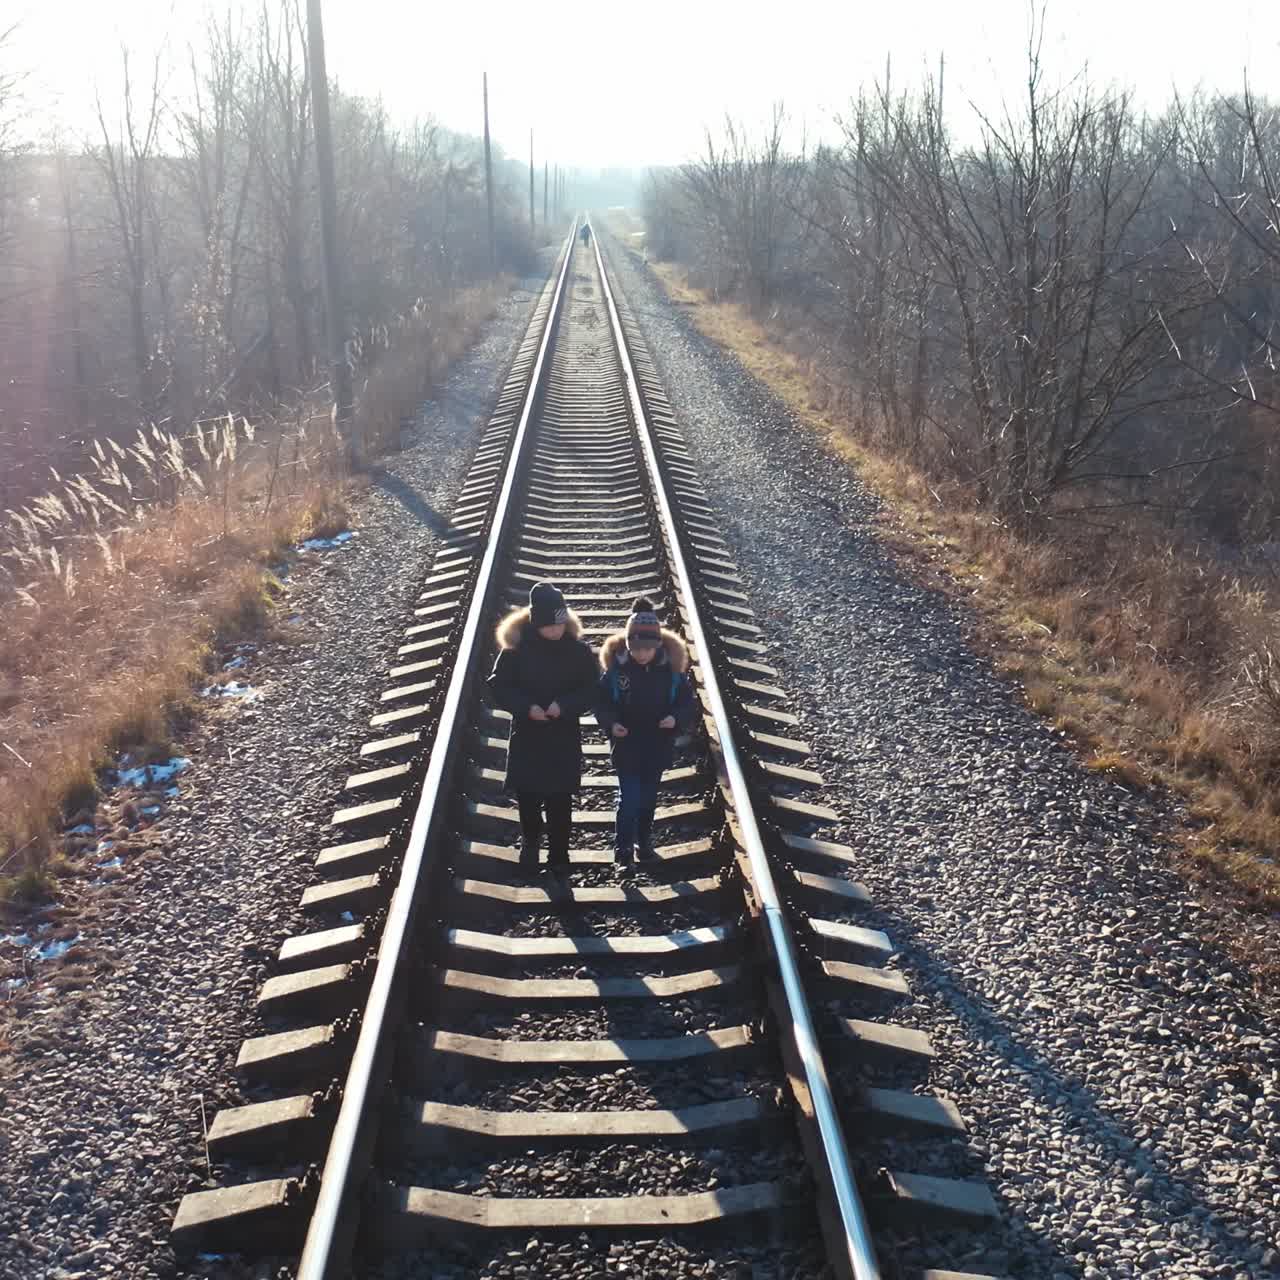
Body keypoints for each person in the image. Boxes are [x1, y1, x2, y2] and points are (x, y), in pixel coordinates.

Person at [487, 581, 599, 878]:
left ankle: (559, 853)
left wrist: (565, 705)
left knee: (561, 798)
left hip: (562, 735)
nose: (555, 631)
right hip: (528, 735)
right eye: (549, 626)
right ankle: (531, 844)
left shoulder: (578, 651)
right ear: (536, 623)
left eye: (559, 625)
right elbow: (499, 685)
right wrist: (527, 707)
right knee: (528, 795)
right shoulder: (516, 649)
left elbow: (591, 688)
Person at [596, 596, 696, 865]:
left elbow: (687, 704)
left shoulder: (672, 673)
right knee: (628, 800)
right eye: (635, 648)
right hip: (627, 746)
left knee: (648, 800)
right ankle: (623, 849)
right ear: (627, 645)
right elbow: (602, 702)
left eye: (646, 649)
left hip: (656, 747)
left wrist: (675, 719)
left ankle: (644, 841)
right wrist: (610, 723)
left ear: (657, 647)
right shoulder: (616, 672)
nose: (641, 654)